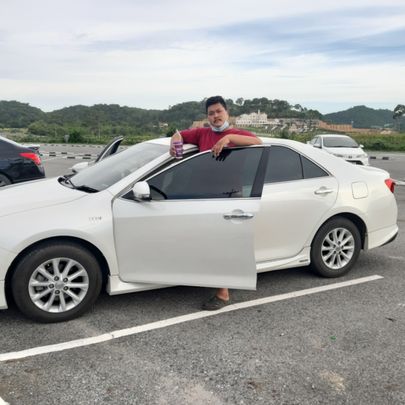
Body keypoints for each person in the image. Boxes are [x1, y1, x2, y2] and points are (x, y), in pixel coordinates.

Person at [170, 95, 262, 311]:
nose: (215, 116)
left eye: (219, 111)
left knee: (223, 244)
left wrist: (227, 139)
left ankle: (223, 292)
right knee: (207, 241)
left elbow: (258, 143)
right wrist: (174, 142)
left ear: (227, 112)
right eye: (211, 113)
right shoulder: (202, 133)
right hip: (206, 196)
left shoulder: (238, 134)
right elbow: (178, 133)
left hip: (229, 197)